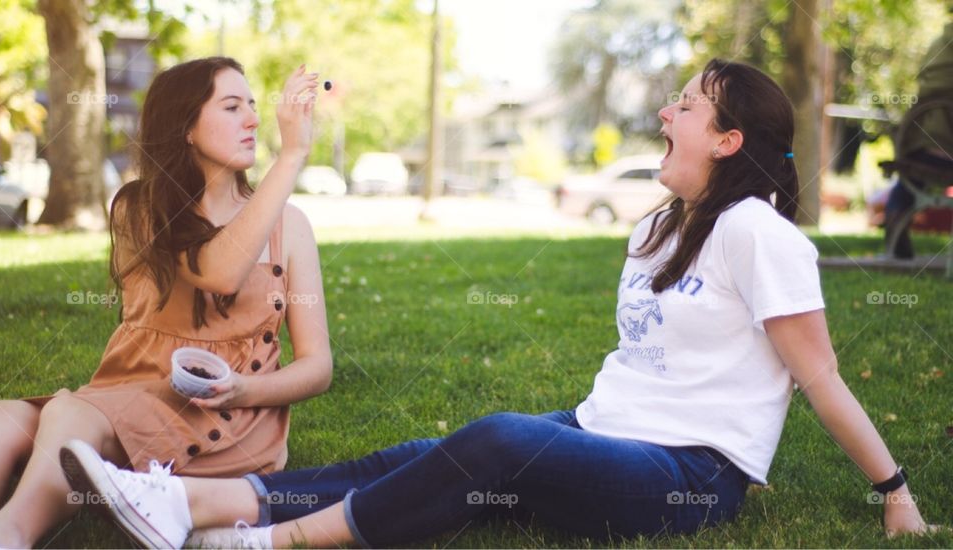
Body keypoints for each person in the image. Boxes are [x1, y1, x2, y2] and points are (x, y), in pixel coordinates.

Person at [61, 59, 938, 549]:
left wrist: (893, 493)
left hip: (691, 475)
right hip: (602, 432)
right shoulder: (659, 228)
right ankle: (194, 504)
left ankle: (277, 542)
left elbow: (818, 377)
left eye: (688, 105)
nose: (667, 111)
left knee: (496, 443)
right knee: (435, 450)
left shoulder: (760, 234)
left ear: (729, 140)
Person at [0, 57, 333, 548]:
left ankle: (10, 534)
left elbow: (318, 365)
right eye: (233, 106)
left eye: (254, 106)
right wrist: (289, 160)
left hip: (227, 420)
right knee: (5, 417)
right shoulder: (141, 207)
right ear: (186, 128)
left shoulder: (290, 224)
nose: (255, 121)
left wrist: (243, 391)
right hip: (128, 393)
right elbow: (218, 268)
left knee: (70, 417)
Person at [883, 9, 953, 258]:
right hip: (942, 147)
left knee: (908, 182)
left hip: (917, 141)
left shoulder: (939, 42)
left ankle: (896, 216)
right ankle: (896, 219)